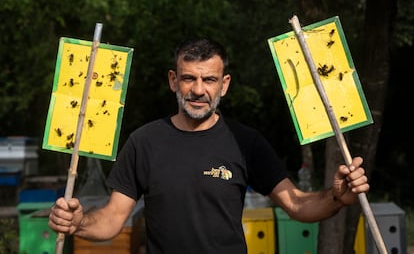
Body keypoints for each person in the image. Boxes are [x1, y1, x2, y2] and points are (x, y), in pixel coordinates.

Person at [48, 38, 369, 253]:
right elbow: (112, 219)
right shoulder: (143, 142)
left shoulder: (246, 142)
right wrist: (78, 223)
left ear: (224, 85)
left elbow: (298, 205)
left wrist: (337, 197)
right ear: (174, 80)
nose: (198, 90)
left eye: (209, 80)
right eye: (189, 78)